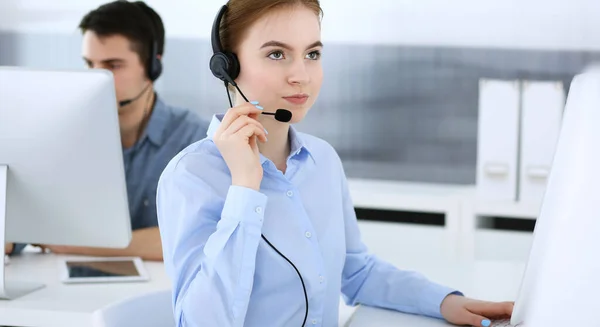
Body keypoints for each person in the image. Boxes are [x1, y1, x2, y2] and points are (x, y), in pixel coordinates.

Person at [156, 0, 514, 326]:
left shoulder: (322, 160)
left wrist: (443, 302)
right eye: (277, 54)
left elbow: (356, 271)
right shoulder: (190, 177)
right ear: (227, 67)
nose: (301, 75)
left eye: (312, 54)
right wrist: (244, 189)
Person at [5, 1, 209, 261]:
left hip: (162, 294)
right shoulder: (65, 135)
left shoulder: (194, 139)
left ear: (152, 67)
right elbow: (23, 228)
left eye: (113, 65)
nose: (96, 76)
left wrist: (71, 244)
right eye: (90, 63)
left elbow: (194, 238)